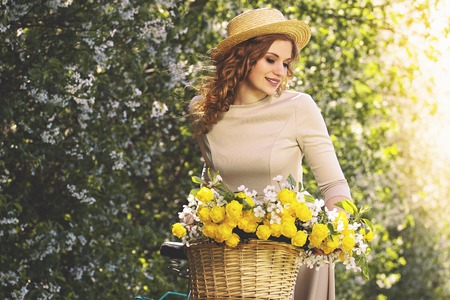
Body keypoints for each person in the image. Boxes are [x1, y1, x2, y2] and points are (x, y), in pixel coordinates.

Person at [189, 7, 352, 300]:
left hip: (290, 261)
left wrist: (332, 231)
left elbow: (334, 187)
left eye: (286, 63)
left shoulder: (298, 107)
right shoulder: (204, 114)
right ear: (243, 57)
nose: (281, 72)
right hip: (230, 267)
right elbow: (211, 186)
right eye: (271, 59)